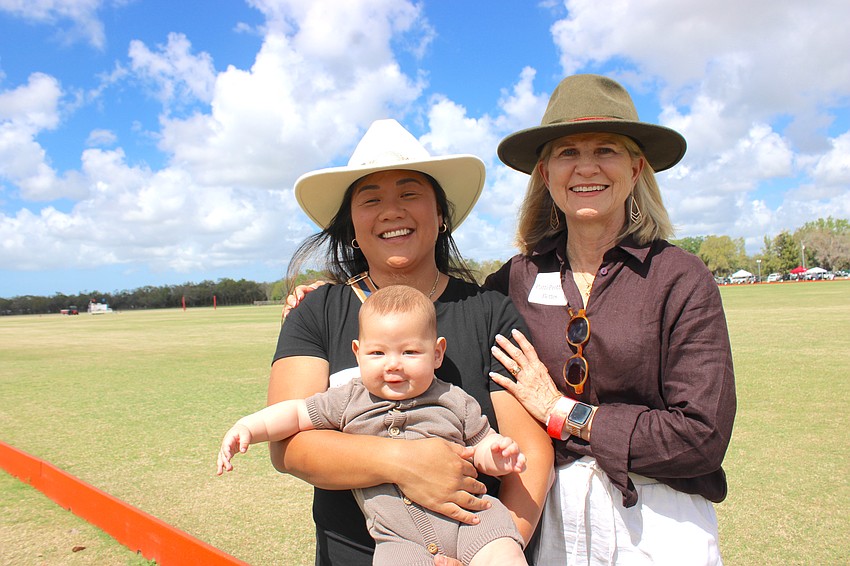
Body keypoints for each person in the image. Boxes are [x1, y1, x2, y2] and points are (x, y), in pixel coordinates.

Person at [268, 119, 553, 565]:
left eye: (409, 193)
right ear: (350, 227)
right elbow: (289, 448)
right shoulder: (316, 312)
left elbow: (531, 451)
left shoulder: (490, 312)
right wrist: (406, 462)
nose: (391, 211)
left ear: (441, 216)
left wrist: (497, 547)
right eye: (372, 199)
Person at [485, 74, 737, 564]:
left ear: (637, 166)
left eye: (606, 149)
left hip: (660, 522)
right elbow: (439, 313)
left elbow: (701, 437)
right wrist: (346, 292)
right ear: (544, 172)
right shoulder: (515, 278)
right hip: (546, 516)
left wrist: (562, 413)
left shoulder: (680, 277)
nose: (586, 167)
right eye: (567, 153)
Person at [219, 285, 529, 565]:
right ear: (358, 353)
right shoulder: (347, 399)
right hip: (399, 542)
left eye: (409, 352)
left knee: (503, 553)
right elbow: (296, 413)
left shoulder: (455, 399)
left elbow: (480, 444)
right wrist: (248, 426)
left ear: (437, 353)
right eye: (377, 353)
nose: (393, 363)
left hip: (473, 521)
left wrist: (496, 455)